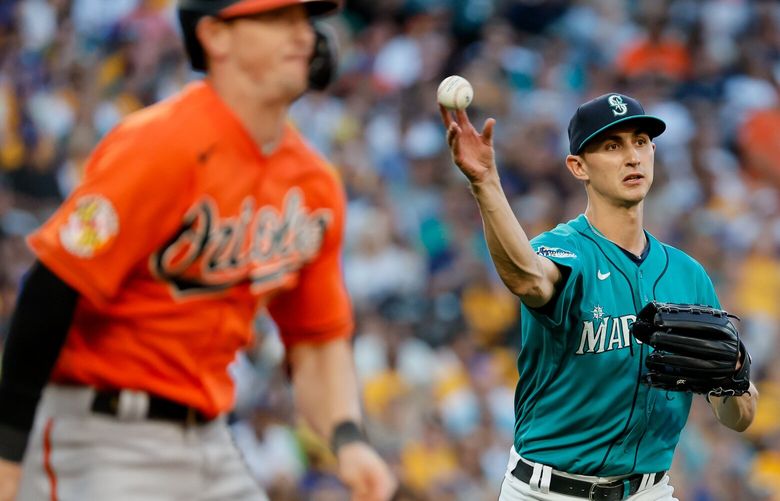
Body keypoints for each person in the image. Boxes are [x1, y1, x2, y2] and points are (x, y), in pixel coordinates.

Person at [0, 1, 396, 500]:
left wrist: (348, 439)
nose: (304, 36)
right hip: (102, 435)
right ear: (216, 36)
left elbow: (317, 342)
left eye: (305, 20)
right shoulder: (160, 144)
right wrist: (8, 452)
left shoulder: (313, 184)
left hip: (211, 438)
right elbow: (49, 290)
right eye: (278, 19)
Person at [439, 93, 759, 501]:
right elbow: (526, 278)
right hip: (549, 492)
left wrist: (733, 379)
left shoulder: (689, 276)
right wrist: (486, 184)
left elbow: (738, 419)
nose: (632, 157)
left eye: (641, 142)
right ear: (578, 166)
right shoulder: (565, 250)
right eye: (612, 146)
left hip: (649, 491)